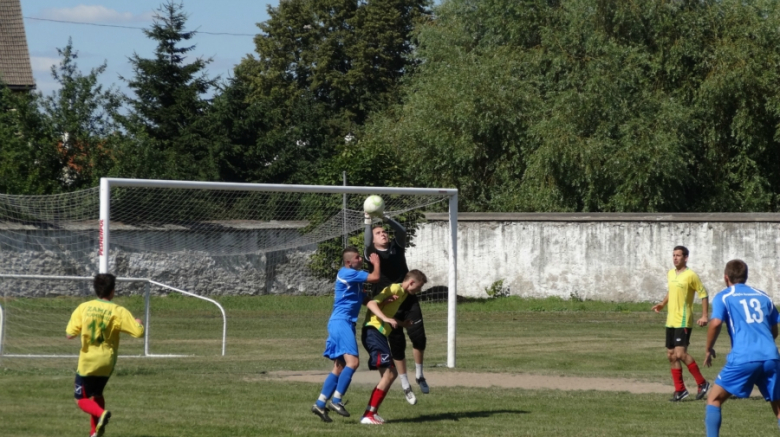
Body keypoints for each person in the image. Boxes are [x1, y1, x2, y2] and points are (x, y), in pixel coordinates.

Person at [704, 259, 780, 436]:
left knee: (714, 399)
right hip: (771, 357)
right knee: (778, 407)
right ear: (746, 276)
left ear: (726, 277)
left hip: (744, 358)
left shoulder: (724, 296)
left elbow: (715, 323)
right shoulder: (763, 296)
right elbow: (774, 328)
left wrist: (708, 349)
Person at [66, 273, 145, 437]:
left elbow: (70, 334)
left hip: (88, 362)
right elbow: (138, 333)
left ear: (96, 290)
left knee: (80, 399)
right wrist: (138, 323)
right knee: (97, 394)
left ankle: (101, 414)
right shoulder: (117, 310)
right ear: (112, 291)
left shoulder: (84, 307)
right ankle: (94, 433)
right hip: (107, 362)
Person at [364, 214, 429, 405]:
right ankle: (405, 385)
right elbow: (367, 240)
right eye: (378, 233)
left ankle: (419, 374)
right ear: (373, 239)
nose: (383, 234)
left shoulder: (396, 248)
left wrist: (385, 218)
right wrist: (368, 221)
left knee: (419, 337)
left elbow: (401, 231)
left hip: (407, 299)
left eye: (384, 232)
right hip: (387, 304)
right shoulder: (372, 254)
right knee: (397, 346)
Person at [310, 247, 381, 422]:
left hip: (343, 323)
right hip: (341, 323)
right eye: (358, 258)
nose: (360, 259)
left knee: (340, 366)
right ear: (349, 262)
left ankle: (319, 404)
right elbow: (375, 277)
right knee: (353, 362)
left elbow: (365, 300)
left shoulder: (355, 280)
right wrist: (376, 263)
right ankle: (336, 400)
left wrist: (384, 305)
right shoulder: (347, 273)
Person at [359, 269, 428, 425]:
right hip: (373, 331)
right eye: (418, 287)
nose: (419, 290)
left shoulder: (403, 294)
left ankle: (371, 413)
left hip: (378, 334)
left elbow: (387, 309)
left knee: (390, 375)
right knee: (390, 374)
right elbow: (373, 303)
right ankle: (368, 415)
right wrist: (385, 315)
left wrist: (403, 323)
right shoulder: (395, 289)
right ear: (411, 282)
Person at [652, 245, 711, 401]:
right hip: (671, 320)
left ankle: (702, 383)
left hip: (683, 320)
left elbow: (703, 294)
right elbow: (671, 291)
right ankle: (680, 390)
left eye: (678, 255)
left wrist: (705, 315)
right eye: (673, 255)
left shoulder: (691, 275)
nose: (675, 258)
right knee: (671, 355)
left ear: (686, 258)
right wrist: (662, 304)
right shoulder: (671, 273)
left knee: (680, 354)